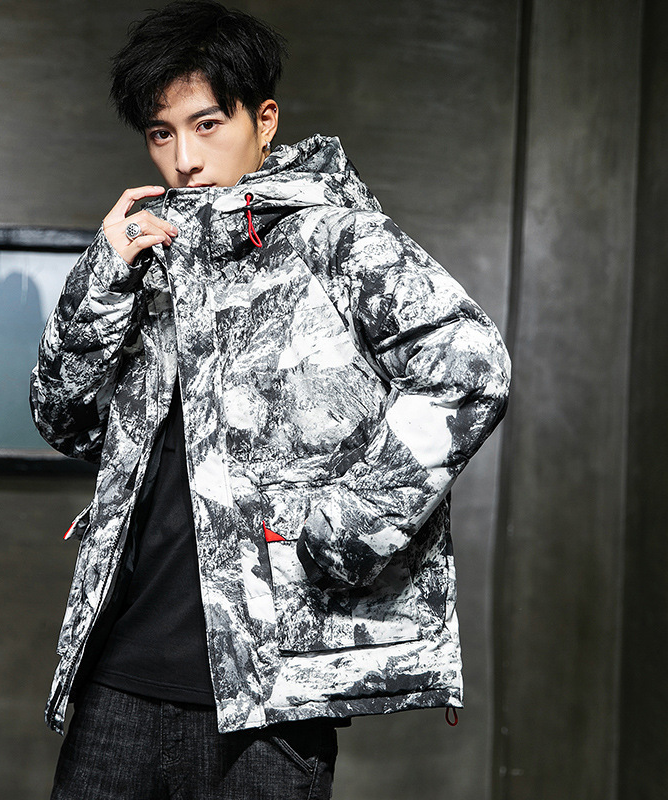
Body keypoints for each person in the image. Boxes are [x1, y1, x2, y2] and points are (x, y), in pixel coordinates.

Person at [30, 2, 511, 798]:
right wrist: (101, 280)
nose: (184, 159)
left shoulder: (338, 240)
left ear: (263, 120)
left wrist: (343, 531)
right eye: (160, 133)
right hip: (117, 673)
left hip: (267, 691)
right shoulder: (149, 259)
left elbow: (470, 370)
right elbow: (67, 421)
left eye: (207, 124)